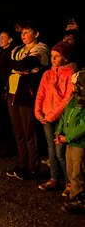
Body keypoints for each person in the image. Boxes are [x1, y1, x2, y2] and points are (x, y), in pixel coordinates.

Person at [6, 22, 49, 180]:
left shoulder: (41, 48)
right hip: (13, 93)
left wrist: (18, 67)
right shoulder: (17, 49)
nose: (23, 35)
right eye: (22, 32)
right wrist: (19, 68)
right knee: (18, 132)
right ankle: (22, 163)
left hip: (27, 95)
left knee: (29, 132)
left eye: (27, 31)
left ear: (36, 33)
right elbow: (7, 65)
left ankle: (33, 167)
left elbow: (28, 63)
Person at [35, 41, 76, 192]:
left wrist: (52, 115)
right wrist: (38, 112)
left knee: (60, 152)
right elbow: (41, 94)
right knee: (51, 149)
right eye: (52, 56)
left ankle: (70, 182)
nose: (53, 59)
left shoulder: (70, 74)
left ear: (65, 58)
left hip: (60, 118)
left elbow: (67, 98)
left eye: (57, 56)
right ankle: (54, 178)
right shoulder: (48, 73)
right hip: (46, 117)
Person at [55, 70, 85, 214]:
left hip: (80, 144)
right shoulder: (73, 100)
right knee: (71, 169)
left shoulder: (83, 103)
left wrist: (69, 137)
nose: (72, 87)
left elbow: (83, 126)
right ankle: (74, 196)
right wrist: (59, 132)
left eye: (75, 84)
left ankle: (78, 200)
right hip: (70, 142)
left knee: (78, 172)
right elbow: (64, 117)